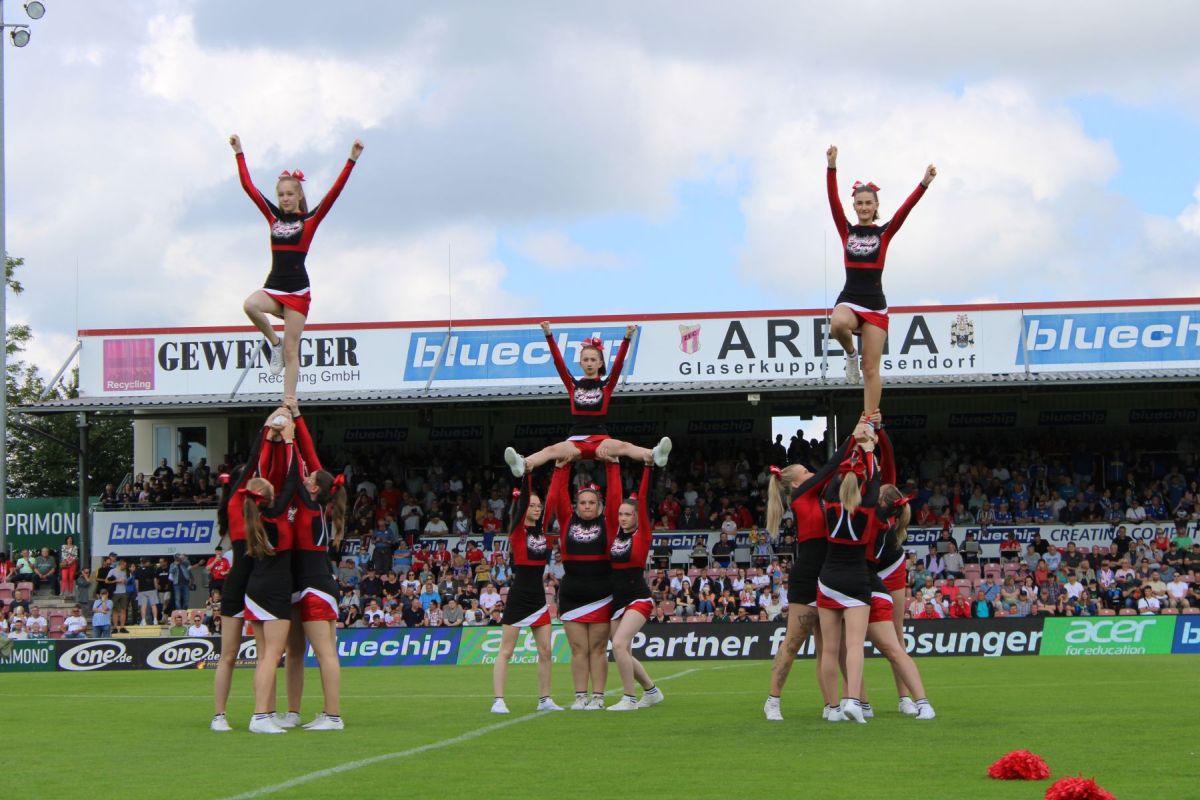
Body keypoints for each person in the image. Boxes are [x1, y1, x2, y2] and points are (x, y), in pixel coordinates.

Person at [230, 133, 364, 404]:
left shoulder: (310, 220)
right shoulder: (273, 216)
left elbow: (334, 193)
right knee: (250, 305)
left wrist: (351, 159)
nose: (285, 198)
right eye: (281, 194)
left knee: (293, 350)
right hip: (273, 286)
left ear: (300, 194)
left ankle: (289, 400)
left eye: (290, 194)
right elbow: (248, 187)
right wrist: (239, 152)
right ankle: (274, 342)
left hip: (298, 292)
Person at [817, 432, 935, 723]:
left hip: (857, 584)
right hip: (863, 583)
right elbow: (871, 481)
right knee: (883, 648)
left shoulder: (850, 509)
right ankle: (903, 702)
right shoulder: (877, 515)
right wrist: (870, 447)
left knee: (850, 648)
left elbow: (837, 477)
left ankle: (852, 703)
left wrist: (857, 445)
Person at [825, 144, 936, 414]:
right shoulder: (846, 231)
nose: (863, 207)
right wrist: (831, 167)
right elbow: (833, 201)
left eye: (868, 203)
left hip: (875, 307)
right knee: (837, 324)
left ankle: (869, 421)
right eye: (859, 203)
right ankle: (850, 354)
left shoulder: (884, 233)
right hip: (850, 299)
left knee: (871, 368)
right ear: (854, 206)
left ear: (875, 206)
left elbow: (904, 210)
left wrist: (923, 184)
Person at [762, 435, 854, 721]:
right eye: (806, 472)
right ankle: (773, 700)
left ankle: (831, 704)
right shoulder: (802, 495)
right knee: (793, 642)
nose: (812, 473)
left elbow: (839, 474)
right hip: (808, 576)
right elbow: (831, 467)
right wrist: (853, 437)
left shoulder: (818, 496)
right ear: (796, 483)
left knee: (828, 647)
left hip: (828, 574)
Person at [504, 322, 670, 475]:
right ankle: (523, 463)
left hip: (601, 440)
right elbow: (559, 363)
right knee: (550, 451)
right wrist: (548, 334)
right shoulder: (572, 385)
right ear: (580, 363)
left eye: (593, 360)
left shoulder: (606, 386)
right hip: (575, 441)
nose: (589, 363)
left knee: (625, 446)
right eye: (586, 359)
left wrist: (626, 338)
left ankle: (654, 454)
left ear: (600, 363)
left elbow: (618, 365)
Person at [280, 403, 348, 732]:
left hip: (316, 586)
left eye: (310, 478)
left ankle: (332, 715)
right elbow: (310, 456)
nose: (305, 476)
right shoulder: (308, 500)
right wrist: (296, 416)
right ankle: (292, 712)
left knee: (325, 653)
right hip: (297, 584)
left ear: (314, 488)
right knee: (294, 652)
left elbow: (298, 464)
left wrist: (288, 438)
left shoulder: (310, 506)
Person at [544, 453, 623, 711]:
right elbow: (556, 497)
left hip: (602, 593)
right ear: (576, 505)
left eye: (591, 502)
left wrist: (612, 465)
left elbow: (616, 497)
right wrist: (561, 467)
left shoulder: (609, 523)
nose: (587, 506)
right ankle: (580, 696)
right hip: (572, 594)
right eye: (582, 502)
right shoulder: (567, 520)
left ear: (599, 505)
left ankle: (598, 697)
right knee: (578, 649)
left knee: (598, 649)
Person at [241, 421, 302, 735]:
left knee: (264, 656)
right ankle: (259, 716)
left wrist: (269, 437)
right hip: (274, 590)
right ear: (268, 496)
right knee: (272, 656)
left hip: (256, 589)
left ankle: (265, 712)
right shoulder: (275, 515)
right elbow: (293, 479)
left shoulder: (255, 515)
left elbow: (261, 471)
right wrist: (289, 442)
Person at [491, 476, 564, 715]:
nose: (536, 508)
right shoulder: (517, 531)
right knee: (506, 651)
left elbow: (553, 499)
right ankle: (498, 700)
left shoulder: (541, 531)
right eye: (532, 505)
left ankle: (545, 699)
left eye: (538, 506)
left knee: (546, 652)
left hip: (538, 598)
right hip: (519, 597)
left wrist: (559, 469)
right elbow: (521, 504)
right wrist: (527, 474)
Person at [606, 460, 665, 712]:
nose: (622, 518)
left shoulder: (643, 534)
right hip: (616, 600)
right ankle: (651, 691)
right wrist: (611, 465)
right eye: (620, 514)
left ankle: (629, 698)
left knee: (619, 645)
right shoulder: (615, 534)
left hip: (638, 598)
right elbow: (612, 499)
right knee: (623, 652)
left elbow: (642, 497)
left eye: (627, 514)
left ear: (637, 516)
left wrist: (648, 468)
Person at [58, 536, 79, 601]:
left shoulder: (75, 547)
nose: (70, 540)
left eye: (71, 539)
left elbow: (75, 556)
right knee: (64, 578)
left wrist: (71, 562)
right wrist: (66, 562)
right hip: (65, 563)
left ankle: (70, 592)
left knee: (71, 578)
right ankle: (62, 592)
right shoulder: (63, 546)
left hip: (72, 564)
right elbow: (63, 555)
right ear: (66, 540)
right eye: (68, 539)